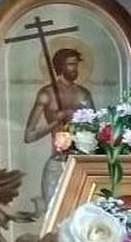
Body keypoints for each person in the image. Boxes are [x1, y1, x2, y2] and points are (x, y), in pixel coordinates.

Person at [23, 48, 95, 205]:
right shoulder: (46, 94)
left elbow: (95, 129)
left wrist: (76, 119)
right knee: (52, 211)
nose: (75, 69)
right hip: (57, 161)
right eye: (70, 64)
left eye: (76, 64)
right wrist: (56, 121)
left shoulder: (83, 94)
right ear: (60, 67)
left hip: (81, 163)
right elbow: (29, 136)